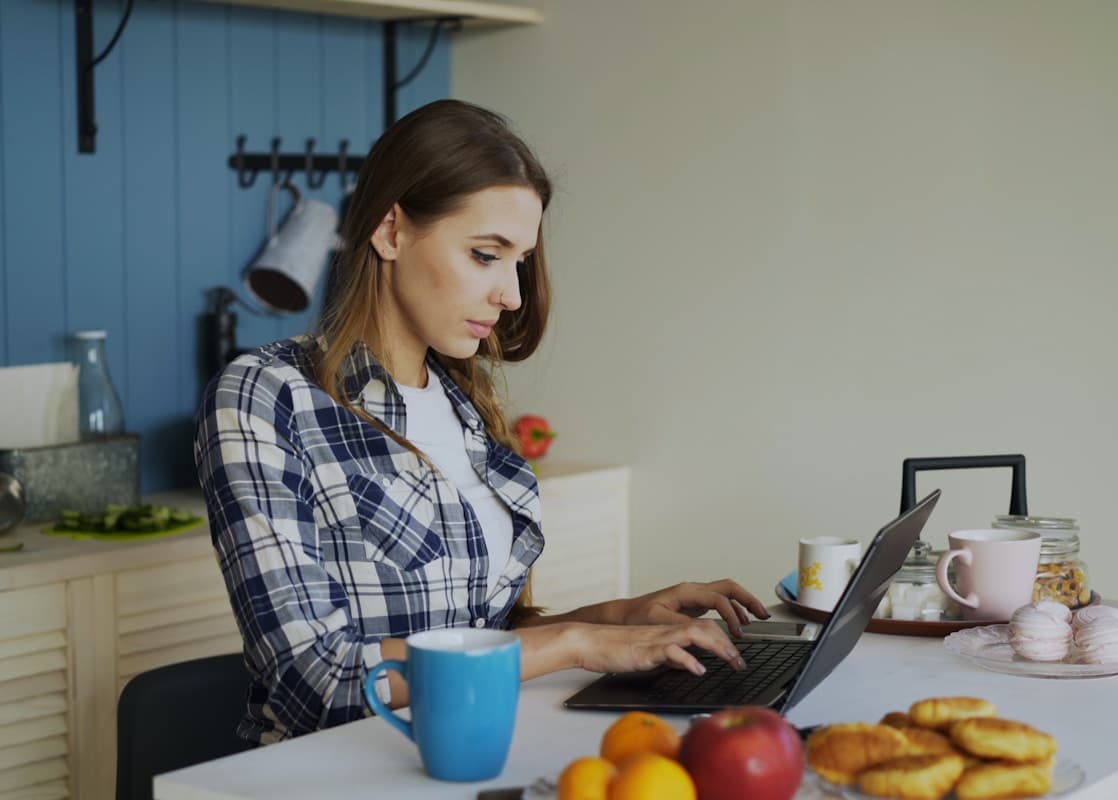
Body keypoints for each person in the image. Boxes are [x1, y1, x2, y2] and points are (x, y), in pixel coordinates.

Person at [194, 99, 769, 746]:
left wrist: (620, 619)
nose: (513, 294)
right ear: (390, 232)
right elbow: (316, 684)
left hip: (465, 753)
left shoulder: (465, 407)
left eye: (518, 261)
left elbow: (470, 639)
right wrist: (577, 642)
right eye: (485, 254)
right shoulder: (267, 397)